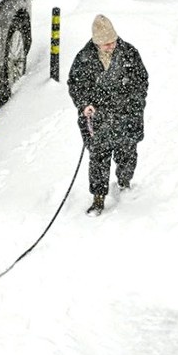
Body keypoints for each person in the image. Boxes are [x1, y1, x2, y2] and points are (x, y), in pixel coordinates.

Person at [68, 14, 149, 215]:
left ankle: (124, 182)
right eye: (105, 44)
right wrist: (84, 104)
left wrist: (135, 104)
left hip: (126, 116)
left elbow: (141, 81)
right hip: (99, 120)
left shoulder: (129, 53)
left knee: (127, 153)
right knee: (98, 159)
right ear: (97, 43)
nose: (111, 46)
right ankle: (98, 198)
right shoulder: (84, 59)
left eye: (113, 42)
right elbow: (76, 85)